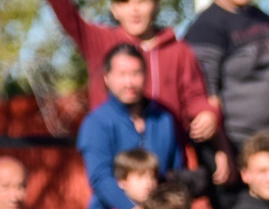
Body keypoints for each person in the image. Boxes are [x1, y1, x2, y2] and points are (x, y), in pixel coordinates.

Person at [45, 0, 220, 152]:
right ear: (114, 9)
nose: (134, 9)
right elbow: (68, 15)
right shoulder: (99, 41)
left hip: (167, 158)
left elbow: (195, 97)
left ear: (156, 5)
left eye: (142, 1)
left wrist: (207, 114)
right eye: (124, 2)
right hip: (118, 161)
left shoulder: (179, 50)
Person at [78, 44, 186, 209]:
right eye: (122, 74)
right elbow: (101, 179)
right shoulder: (96, 123)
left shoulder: (164, 119)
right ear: (107, 77)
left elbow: (175, 172)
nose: (129, 82)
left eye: (136, 73)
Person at [184, 0, 269, 151]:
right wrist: (221, 148)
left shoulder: (260, 17)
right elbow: (206, 93)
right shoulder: (206, 26)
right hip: (239, 141)